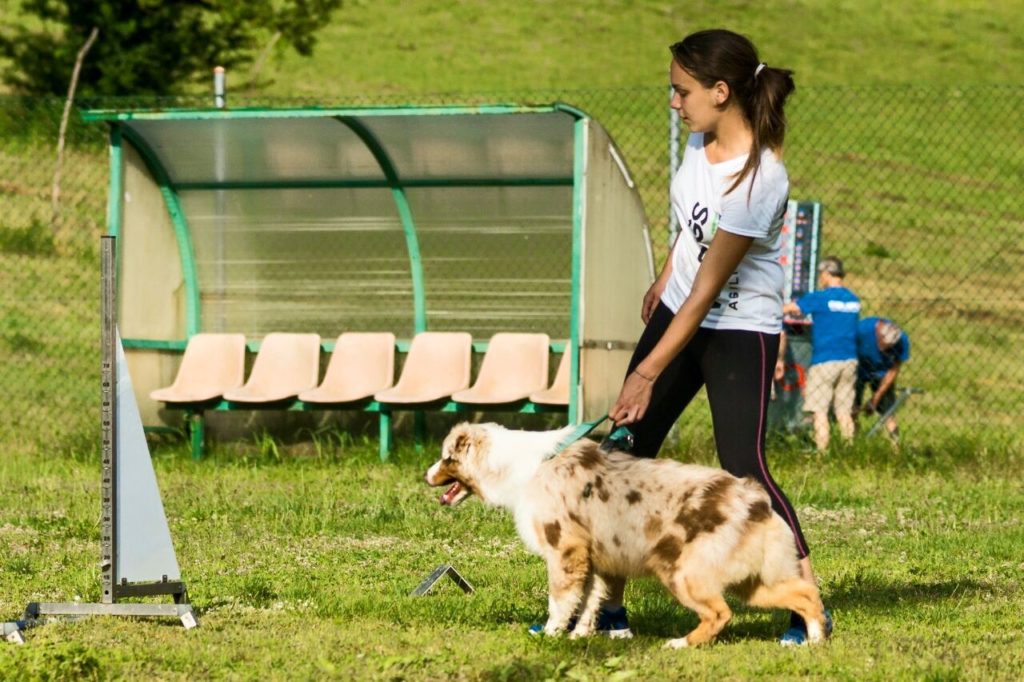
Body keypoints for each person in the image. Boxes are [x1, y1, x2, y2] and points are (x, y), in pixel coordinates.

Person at [602, 28, 830, 646]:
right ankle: (607, 608)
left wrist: (646, 373)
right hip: (682, 306)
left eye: (682, 92)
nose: (673, 103)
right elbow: (691, 228)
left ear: (722, 91)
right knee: (623, 451)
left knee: (743, 464)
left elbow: (709, 292)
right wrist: (665, 272)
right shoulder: (699, 143)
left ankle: (806, 604)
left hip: (736, 327)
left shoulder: (760, 180)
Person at [782, 256, 860, 451]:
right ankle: (849, 449)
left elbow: (793, 309)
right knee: (844, 411)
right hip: (850, 359)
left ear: (826, 274)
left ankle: (822, 452)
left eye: (820, 275)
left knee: (819, 410)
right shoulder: (853, 299)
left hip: (825, 359)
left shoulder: (821, 297)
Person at [855, 317, 910, 441]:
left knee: (888, 413)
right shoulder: (861, 330)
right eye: (881, 344)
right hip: (858, 369)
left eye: (889, 347)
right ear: (878, 332)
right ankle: (854, 442)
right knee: (852, 410)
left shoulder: (903, 341)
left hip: (882, 372)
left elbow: (893, 370)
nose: (883, 349)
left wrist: (876, 398)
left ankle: (895, 448)